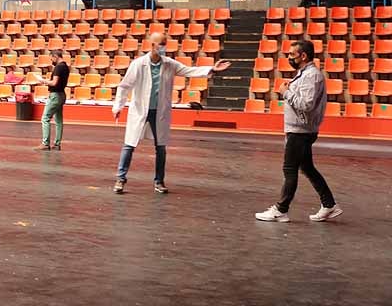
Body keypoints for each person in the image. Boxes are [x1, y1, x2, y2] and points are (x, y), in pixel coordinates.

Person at [112, 32, 231, 194]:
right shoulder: (138, 64)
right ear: (152, 45)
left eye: (165, 44)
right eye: (161, 44)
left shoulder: (169, 64)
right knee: (129, 145)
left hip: (159, 111)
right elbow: (125, 86)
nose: (163, 48)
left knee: (161, 147)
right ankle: (120, 178)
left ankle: (159, 181)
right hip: (141, 110)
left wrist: (212, 69)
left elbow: (189, 71)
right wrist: (118, 106)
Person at [256, 40, 342, 223]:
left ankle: (281, 210)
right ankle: (329, 205)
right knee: (307, 168)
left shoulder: (311, 76)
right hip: (300, 129)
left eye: (291, 55)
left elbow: (306, 105)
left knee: (290, 169)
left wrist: (286, 92)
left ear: (303, 56)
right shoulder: (305, 74)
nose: (289, 58)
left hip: (300, 131)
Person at [36, 52, 70, 151]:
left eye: (51, 59)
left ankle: (45, 143)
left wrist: (43, 80)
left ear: (55, 57)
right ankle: (57, 144)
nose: (51, 61)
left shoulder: (58, 67)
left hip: (55, 95)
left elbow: (54, 83)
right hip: (62, 94)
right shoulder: (66, 67)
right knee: (59, 120)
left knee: (45, 118)